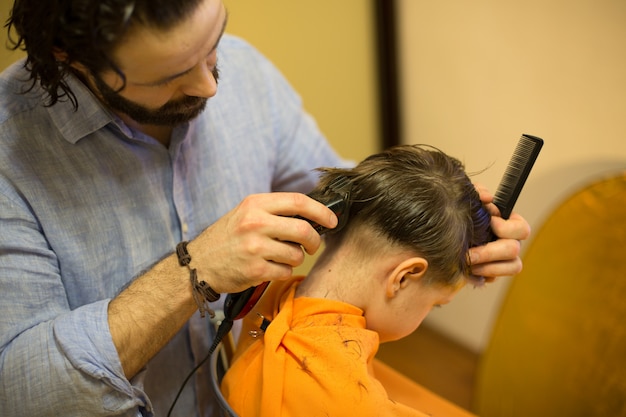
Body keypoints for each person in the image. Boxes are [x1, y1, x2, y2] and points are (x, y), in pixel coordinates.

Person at [0, 1, 530, 416]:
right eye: (169, 77)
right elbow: (24, 397)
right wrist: (195, 270)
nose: (211, 85)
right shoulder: (10, 154)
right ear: (69, 58)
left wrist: (448, 230)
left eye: (212, 43)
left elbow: (352, 205)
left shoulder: (247, 74)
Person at [220, 144, 492, 416]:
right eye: (436, 304)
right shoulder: (352, 403)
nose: (428, 313)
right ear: (404, 277)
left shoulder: (265, 297)